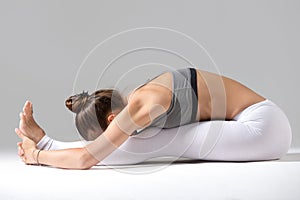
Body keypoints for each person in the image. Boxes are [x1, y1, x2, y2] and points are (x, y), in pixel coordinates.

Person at [15, 67, 292, 169]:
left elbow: (88, 159)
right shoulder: (137, 96)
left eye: (104, 136)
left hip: (264, 130)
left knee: (146, 143)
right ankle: (47, 142)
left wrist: (36, 156)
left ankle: (47, 145)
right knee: (149, 140)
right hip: (259, 123)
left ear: (112, 121)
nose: (109, 141)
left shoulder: (140, 109)